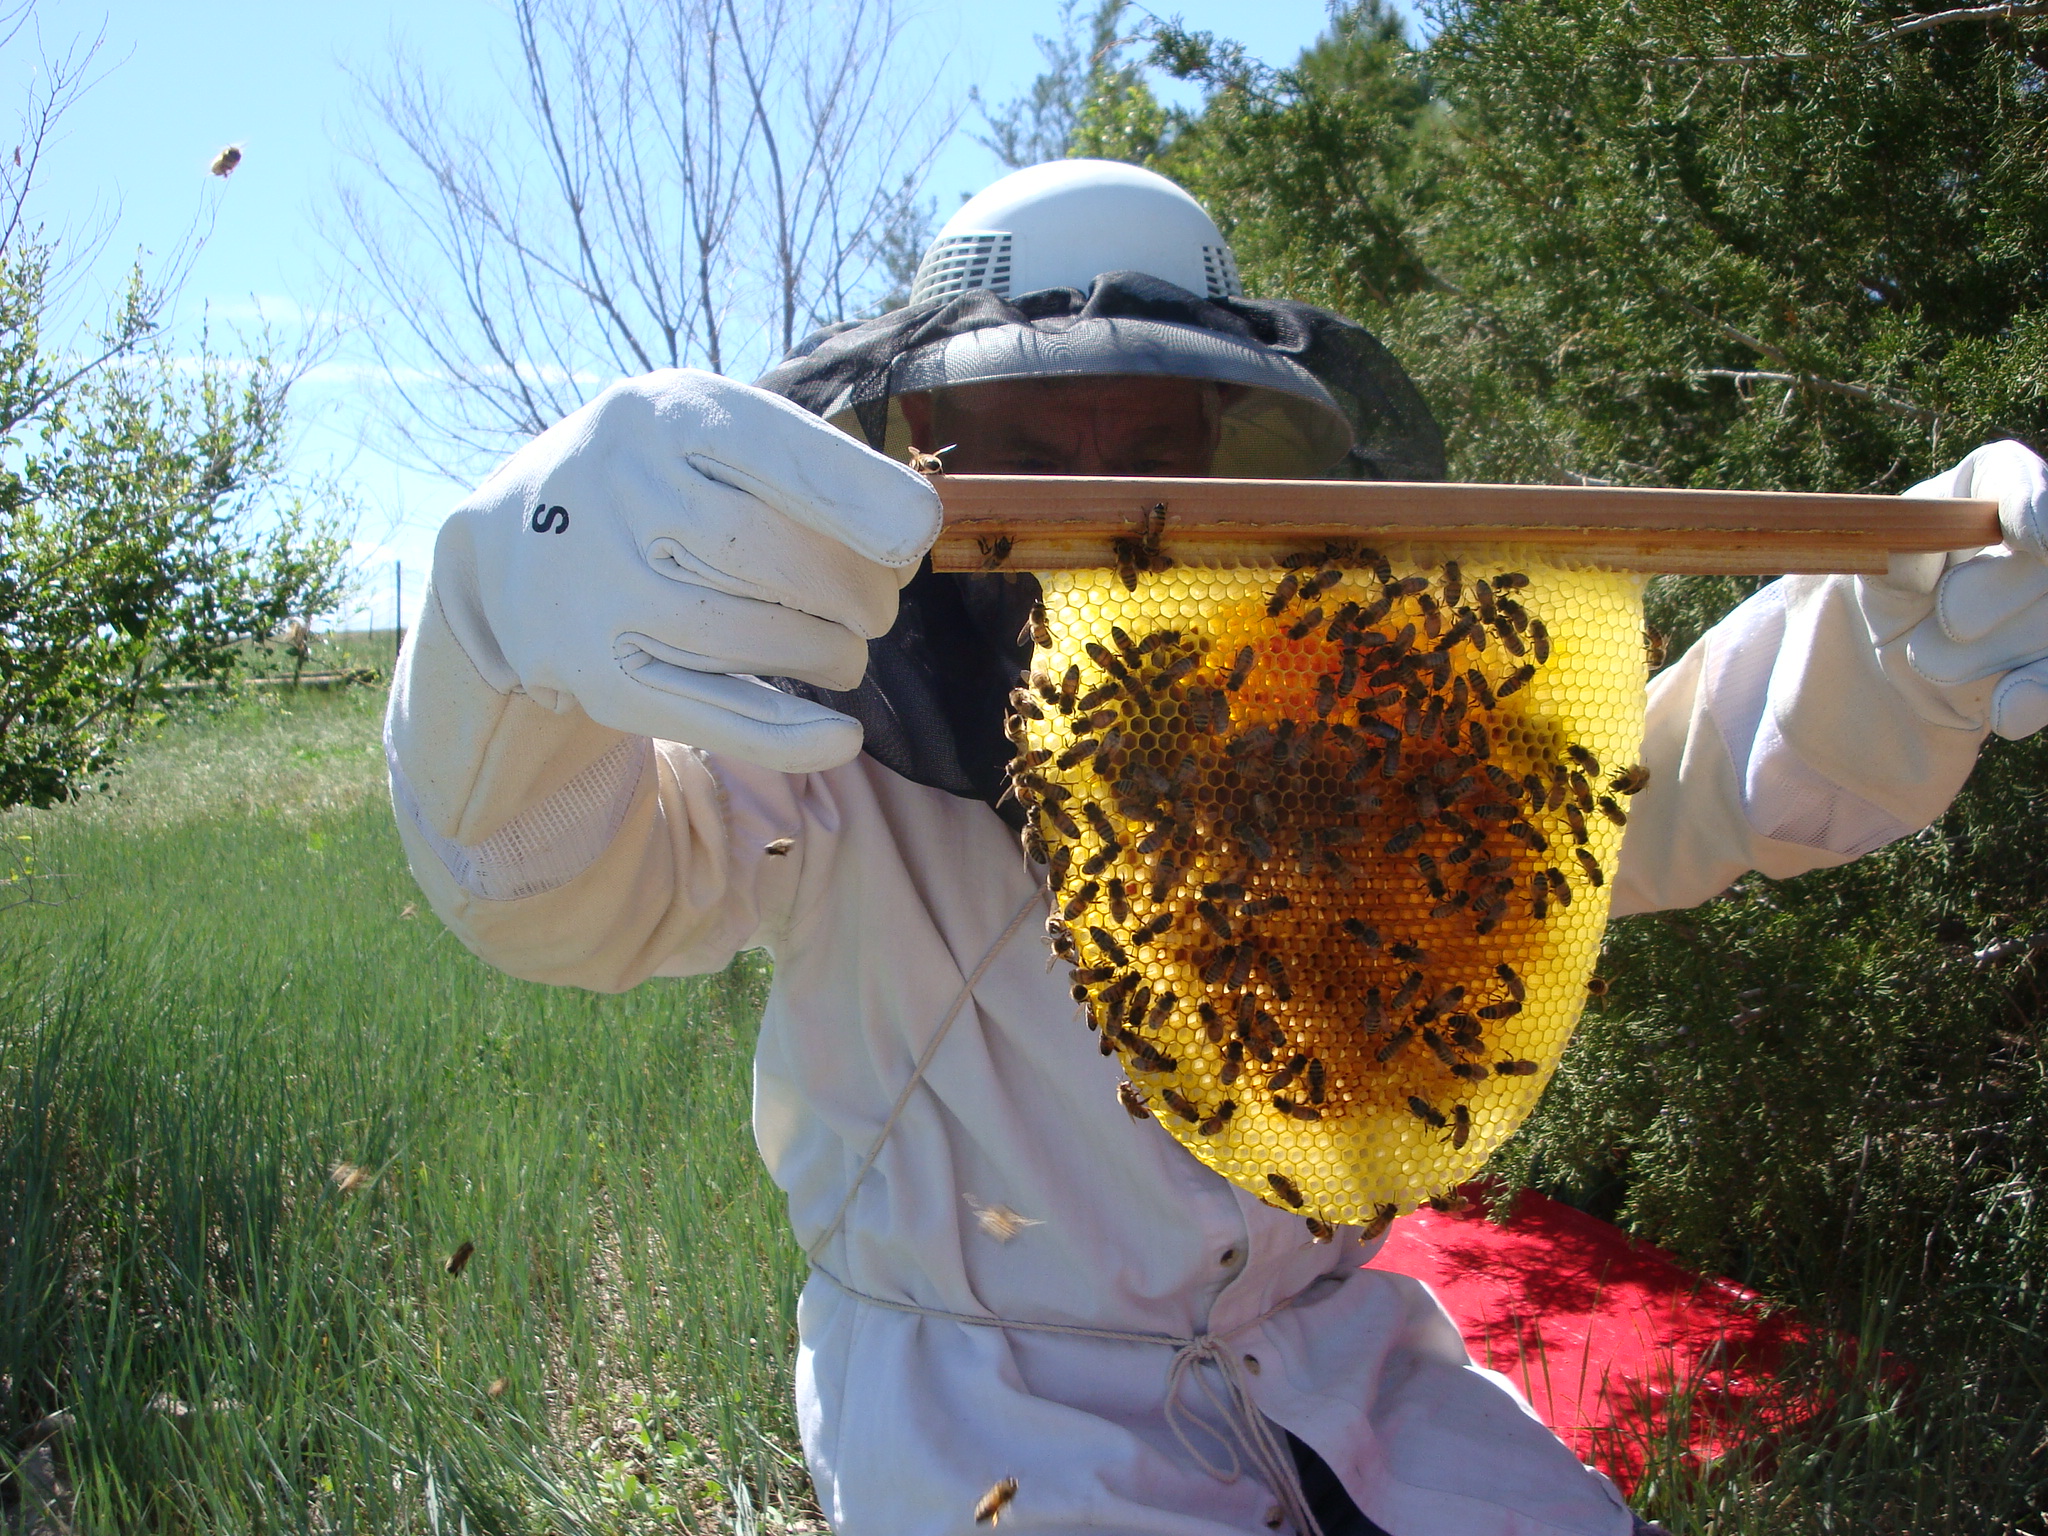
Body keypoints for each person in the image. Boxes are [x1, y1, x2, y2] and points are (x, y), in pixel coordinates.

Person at [385, 161, 2048, 1535]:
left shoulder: (1321, 701)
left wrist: (1893, 652)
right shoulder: (825, 732)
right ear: (919, 447)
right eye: (1029, 452)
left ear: (1230, 451)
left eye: (1149, 454)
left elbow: (1632, 802)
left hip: (1339, 1362)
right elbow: (560, 892)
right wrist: (496, 649)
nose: (1091, 511)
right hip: (984, 1410)